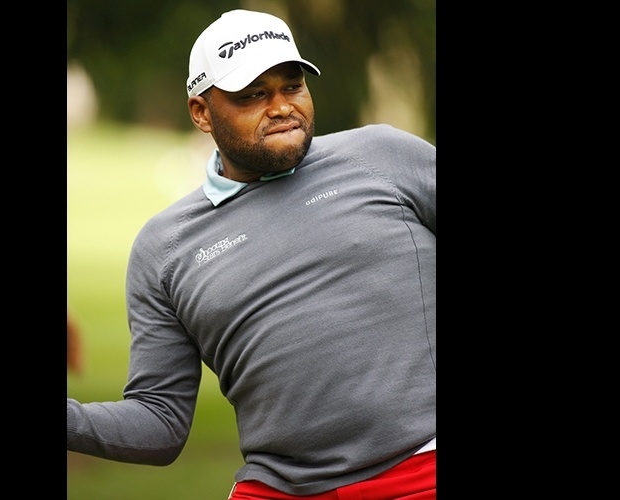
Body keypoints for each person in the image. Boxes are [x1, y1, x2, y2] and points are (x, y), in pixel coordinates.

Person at [67, 9, 435, 499]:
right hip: (283, 489)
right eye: (253, 95)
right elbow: (159, 422)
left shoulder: (383, 156)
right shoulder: (165, 248)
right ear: (201, 112)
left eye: (292, 86)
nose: (282, 106)